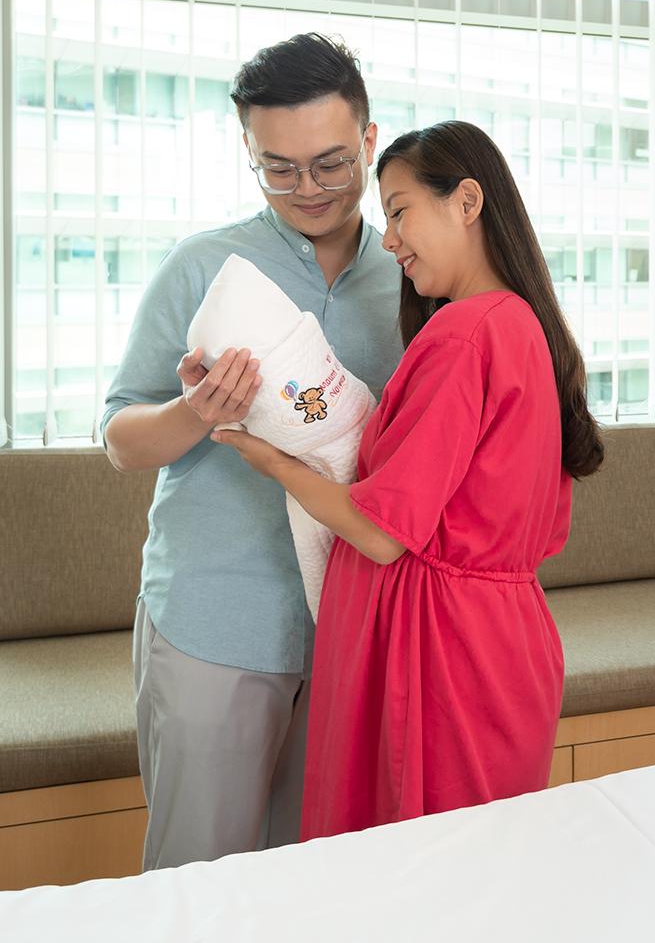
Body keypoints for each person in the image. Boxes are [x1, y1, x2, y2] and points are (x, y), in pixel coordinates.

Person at [212, 120, 604, 839]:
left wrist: (270, 457)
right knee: (477, 873)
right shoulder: (524, 328)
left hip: (440, 657)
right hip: (501, 647)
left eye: (397, 211)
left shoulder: (463, 335)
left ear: (466, 202)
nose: (387, 239)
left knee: (411, 879)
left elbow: (382, 533)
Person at [100, 33, 404, 869]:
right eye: (280, 167)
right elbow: (122, 438)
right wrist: (198, 412)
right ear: (249, 151)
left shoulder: (411, 280)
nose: (308, 188)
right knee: (197, 887)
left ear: (371, 142)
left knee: (320, 882)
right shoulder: (205, 267)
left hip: (353, 630)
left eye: (332, 163)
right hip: (215, 622)